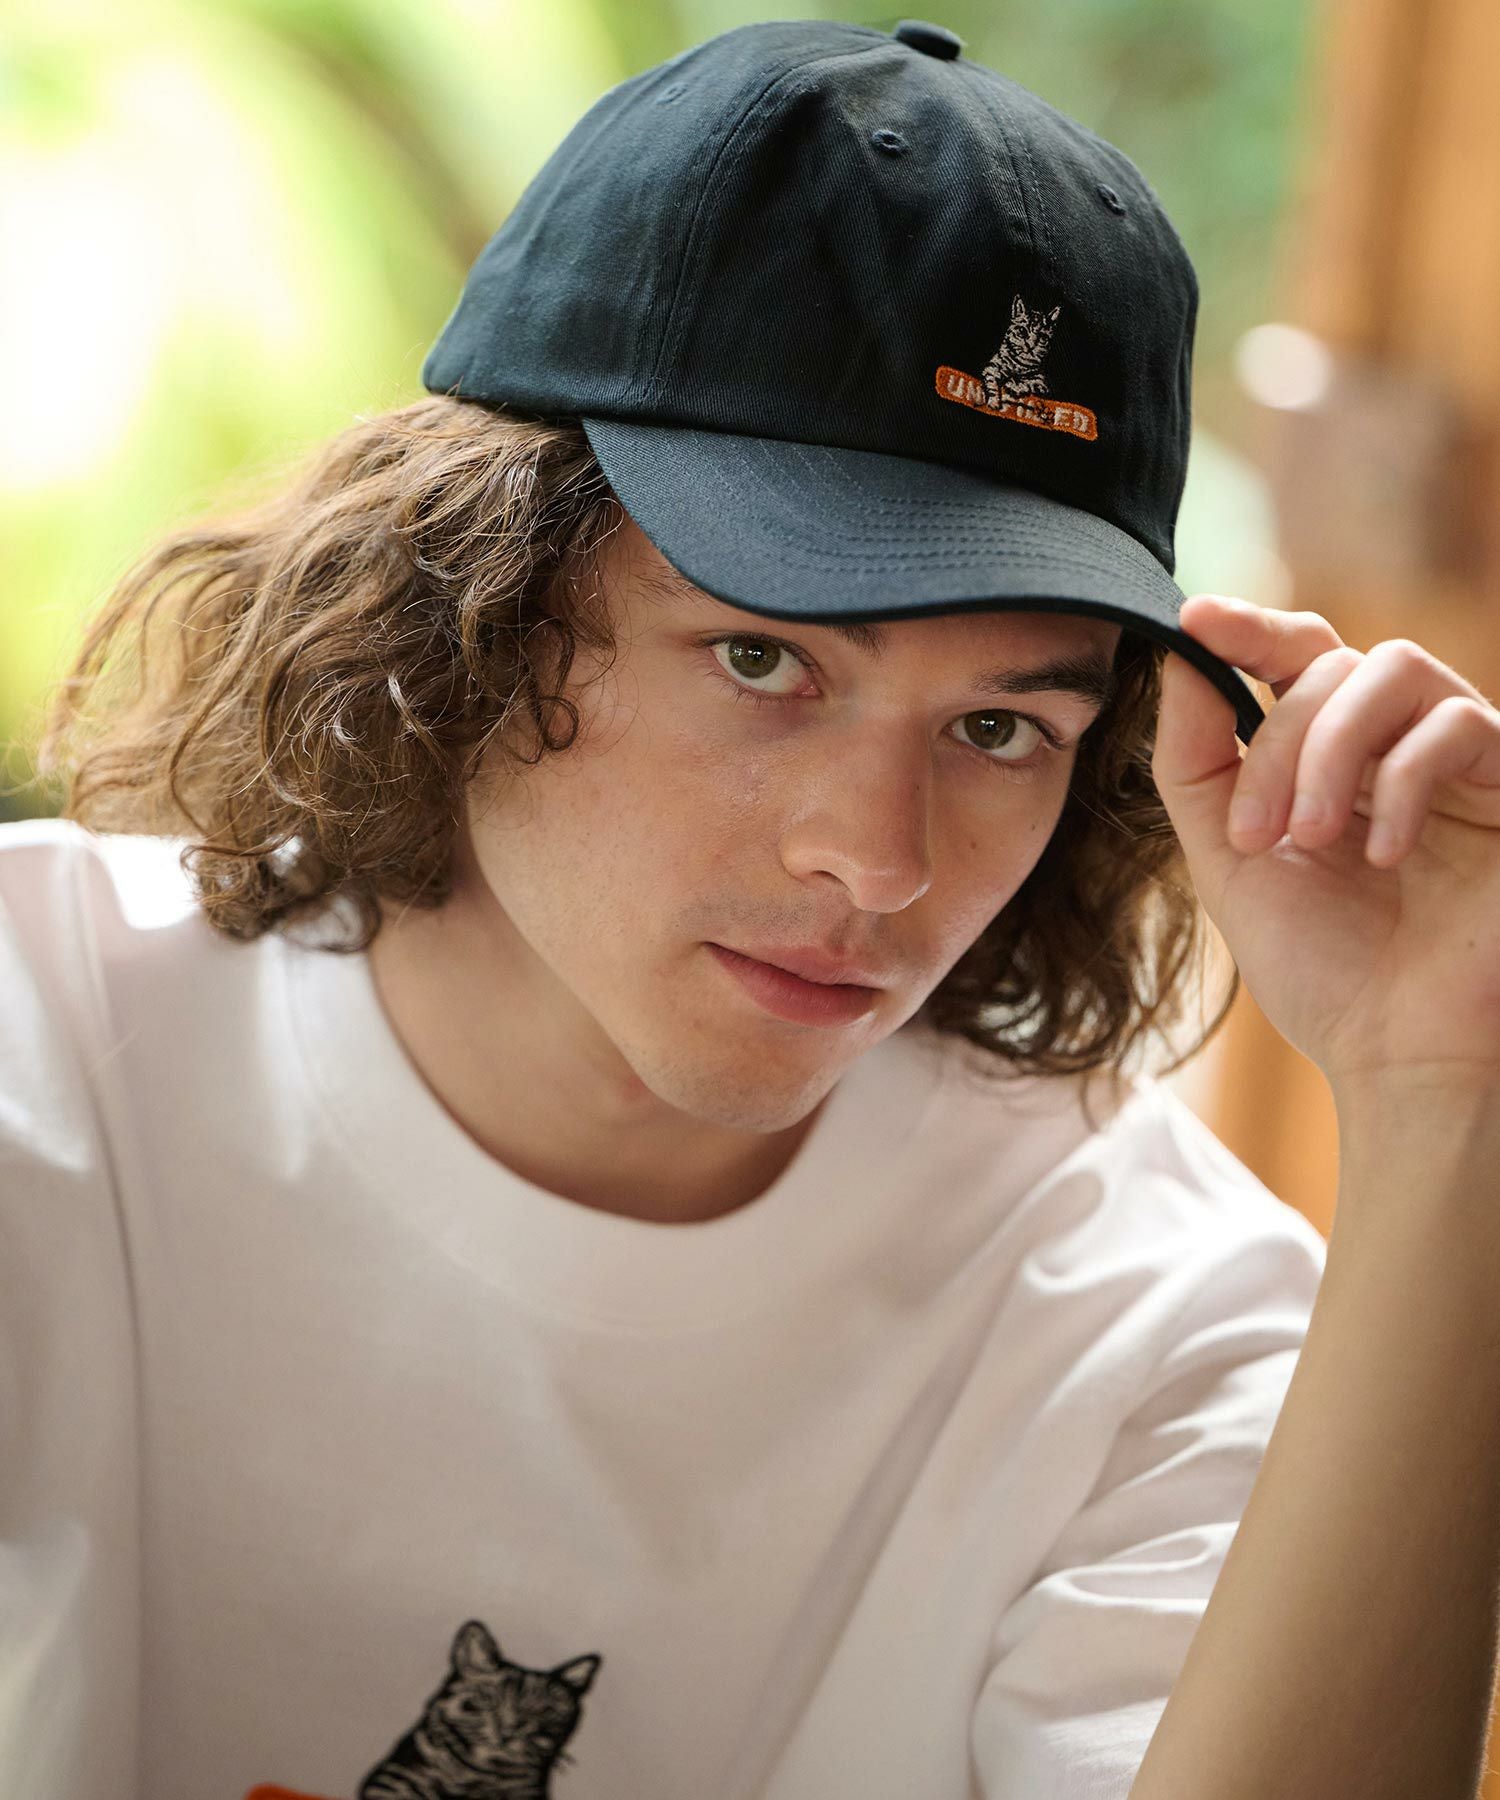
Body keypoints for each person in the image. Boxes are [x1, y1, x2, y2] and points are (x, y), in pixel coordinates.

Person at [2, 18, 1497, 1800]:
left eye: (999, 726)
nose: (879, 860)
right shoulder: (48, 1060)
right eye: (763, 660)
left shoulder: (1152, 1324)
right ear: (469, 599)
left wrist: (1450, 1097)